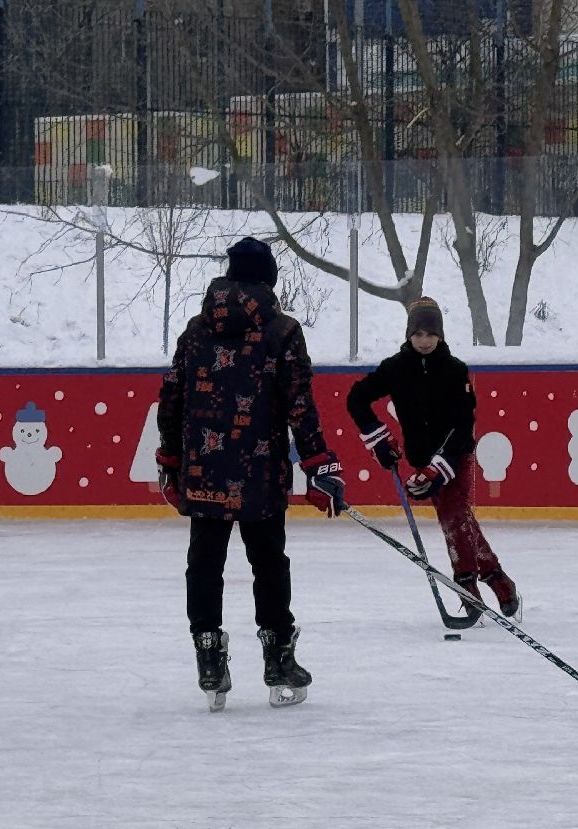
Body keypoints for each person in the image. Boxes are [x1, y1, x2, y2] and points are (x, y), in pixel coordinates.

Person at [155, 237, 345, 709]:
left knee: (205, 564)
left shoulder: (195, 332)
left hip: (205, 471)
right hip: (260, 471)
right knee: (268, 562)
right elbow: (299, 404)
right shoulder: (282, 332)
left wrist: (171, 462)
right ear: (268, 279)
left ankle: (208, 655)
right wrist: (320, 465)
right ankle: (279, 655)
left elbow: (171, 401)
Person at [346, 296, 521, 624]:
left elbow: (462, 424)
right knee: (459, 518)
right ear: (409, 335)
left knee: (454, 516)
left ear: (440, 335)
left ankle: (466, 584)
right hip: (423, 459)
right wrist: (379, 440)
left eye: (430, 334)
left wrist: (438, 468)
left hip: (457, 455)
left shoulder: (455, 371)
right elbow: (356, 398)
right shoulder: (395, 368)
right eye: (418, 334)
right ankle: (498, 579)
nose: (424, 341)